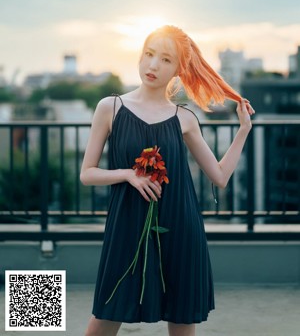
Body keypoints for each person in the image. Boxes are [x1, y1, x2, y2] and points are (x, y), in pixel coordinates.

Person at [80, 25, 255, 336]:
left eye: (165, 60)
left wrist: (242, 130)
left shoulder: (184, 118)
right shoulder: (111, 107)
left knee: (182, 321)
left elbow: (219, 176)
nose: (153, 66)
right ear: (140, 55)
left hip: (181, 228)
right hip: (127, 228)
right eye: (149, 55)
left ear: (178, 69)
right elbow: (87, 174)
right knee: (105, 316)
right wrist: (127, 175)